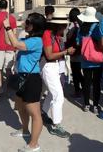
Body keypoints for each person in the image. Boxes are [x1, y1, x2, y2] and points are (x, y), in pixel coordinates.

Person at [5, 13, 45, 152]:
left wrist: (8, 27)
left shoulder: (37, 41)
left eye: (28, 22)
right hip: (22, 77)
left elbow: (15, 43)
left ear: (35, 26)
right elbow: (10, 42)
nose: (26, 24)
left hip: (31, 79)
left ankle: (34, 145)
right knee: (21, 107)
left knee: (35, 113)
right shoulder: (28, 38)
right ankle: (25, 130)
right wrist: (8, 28)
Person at [41, 9, 75, 138]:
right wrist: (66, 52)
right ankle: (56, 125)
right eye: (64, 26)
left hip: (54, 67)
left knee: (52, 93)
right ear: (58, 25)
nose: (65, 28)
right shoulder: (47, 34)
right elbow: (49, 55)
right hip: (48, 66)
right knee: (58, 96)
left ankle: (43, 112)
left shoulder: (55, 35)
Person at [77, 7, 103, 113]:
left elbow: (78, 43)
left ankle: (86, 104)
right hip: (97, 60)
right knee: (97, 83)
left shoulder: (81, 29)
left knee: (87, 83)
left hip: (85, 60)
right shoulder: (98, 27)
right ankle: (96, 105)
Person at [0, 0, 17, 96]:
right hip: (10, 46)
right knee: (8, 69)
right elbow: (14, 33)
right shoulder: (12, 18)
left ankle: (0, 87)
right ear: (7, 6)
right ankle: (7, 85)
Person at [66, 8, 84, 98]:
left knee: (76, 72)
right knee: (79, 71)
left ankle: (77, 91)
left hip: (74, 51)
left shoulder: (72, 26)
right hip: (82, 51)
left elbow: (68, 37)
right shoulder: (82, 24)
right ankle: (85, 87)